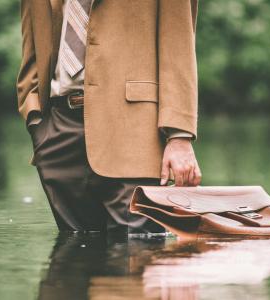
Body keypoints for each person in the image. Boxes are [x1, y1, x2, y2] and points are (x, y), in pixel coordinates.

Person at [16, 0, 202, 235]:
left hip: (137, 132)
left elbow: (179, 41)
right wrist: (35, 117)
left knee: (136, 257)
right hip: (58, 133)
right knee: (74, 260)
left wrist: (179, 134)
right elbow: (32, 41)